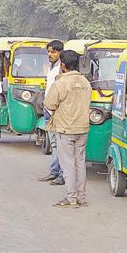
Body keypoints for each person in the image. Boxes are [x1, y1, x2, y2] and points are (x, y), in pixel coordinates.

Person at [44, 50, 92, 208]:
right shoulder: (86, 83)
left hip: (65, 129)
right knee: (80, 162)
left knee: (68, 164)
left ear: (63, 65)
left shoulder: (61, 83)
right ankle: (81, 197)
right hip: (83, 128)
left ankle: (71, 197)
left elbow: (49, 104)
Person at [37, 40, 65, 186]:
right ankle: (54, 171)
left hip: (56, 112)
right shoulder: (51, 67)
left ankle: (61, 174)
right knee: (54, 144)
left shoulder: (62, 68)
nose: (50, 54)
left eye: (53, 52)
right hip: (48, 110)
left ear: (60, 52)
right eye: (48, 51)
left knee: (59, 144)